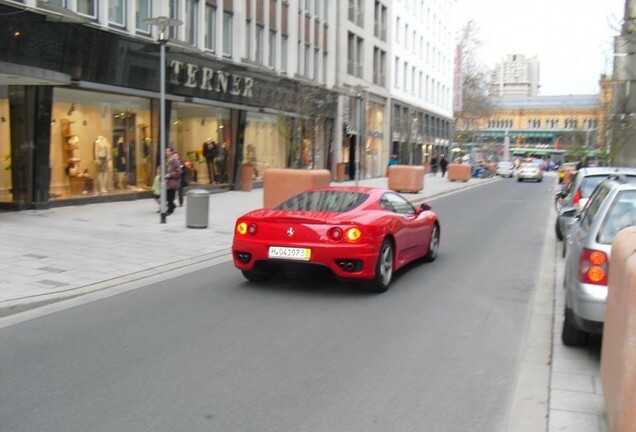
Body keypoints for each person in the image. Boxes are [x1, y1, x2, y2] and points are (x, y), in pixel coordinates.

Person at [164, 147, 182, 215]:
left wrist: (170, 175)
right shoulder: (167, 160)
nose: (166, 152)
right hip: (167, 182)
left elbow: (179, 172)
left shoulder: (175, 161)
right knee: (167, 197)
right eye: (165, 151)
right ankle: (172, 207)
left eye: (168, 151)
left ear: (171, 152)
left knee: (170, 197)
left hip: (172, 182)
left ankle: (170, 210)